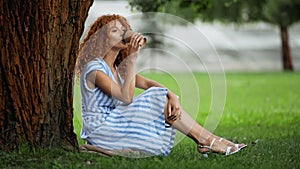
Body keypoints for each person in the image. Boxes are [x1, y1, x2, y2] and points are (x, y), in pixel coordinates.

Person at [75, 14, 246, 157]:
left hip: (116, 125)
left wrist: (171, 96)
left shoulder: (118, 69)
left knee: (159, 94)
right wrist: (133, 58)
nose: (122, 34)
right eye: (114, 31)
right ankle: (207, 141)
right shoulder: (94, 69)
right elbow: (126, 98)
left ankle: (209, 139)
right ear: (101, 39)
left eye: (123, 30)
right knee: (157, 96)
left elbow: (148, 83)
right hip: (102, 129)